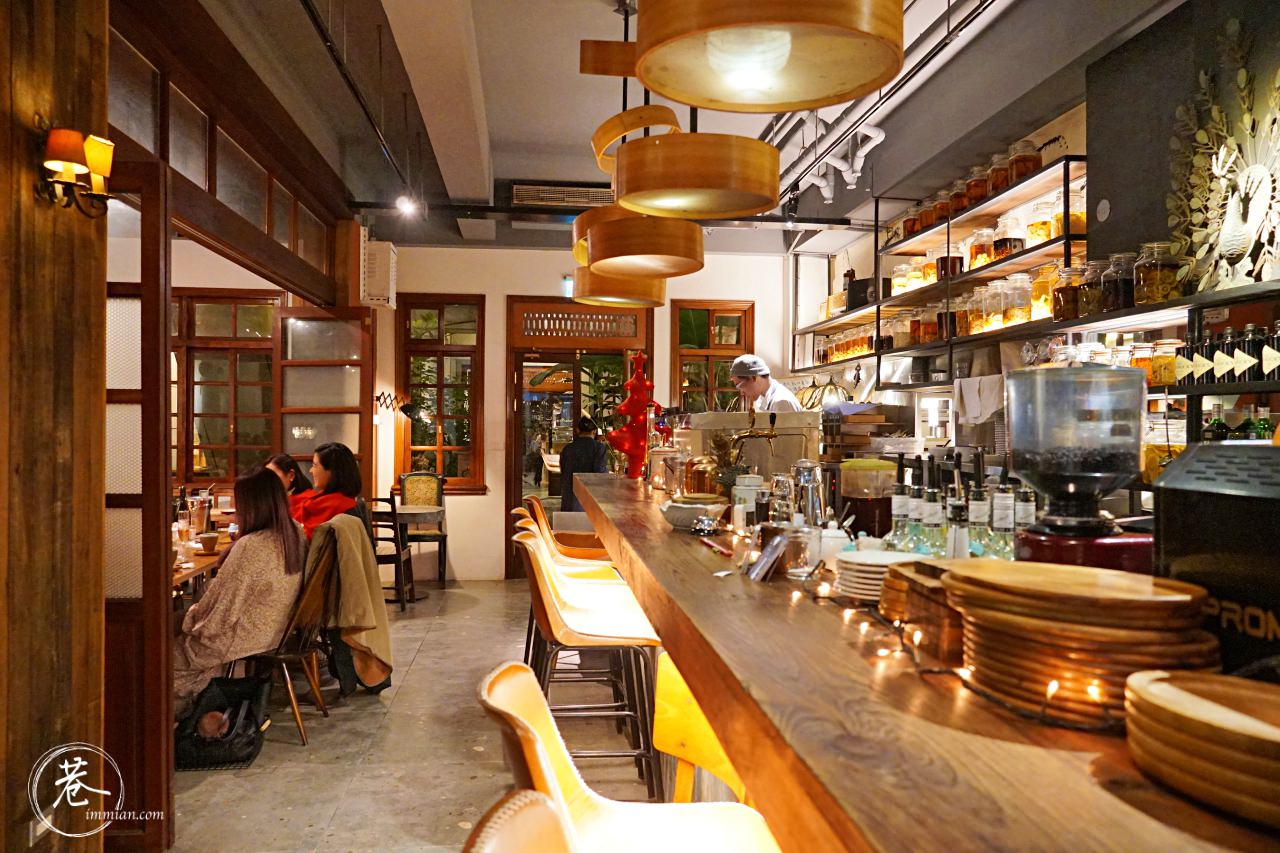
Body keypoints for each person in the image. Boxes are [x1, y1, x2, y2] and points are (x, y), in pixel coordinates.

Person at [173, 468, 307, 717]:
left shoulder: (251, 547)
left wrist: (188, 619)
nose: (236, 510)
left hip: (240, 641)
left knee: (158, 650)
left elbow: (216, 620)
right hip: (272, 633)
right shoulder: (294, 532)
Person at [290, 442, 362, 539]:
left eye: (315, 465)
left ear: (332, 471)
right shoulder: (319, 501)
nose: (311, 470)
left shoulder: (341, 508)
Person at [557, 416, 609, 513]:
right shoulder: (599, 448)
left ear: (578, 430)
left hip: (569, 497)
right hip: (589, 498)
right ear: (594, 431)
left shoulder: (567, 448)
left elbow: (563, 470)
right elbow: (600, 472)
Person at [729, 354, 802, 413]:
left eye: (740, 385)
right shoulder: (763, 399)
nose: (741, 392)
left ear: (754, 378)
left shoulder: (782, 403)